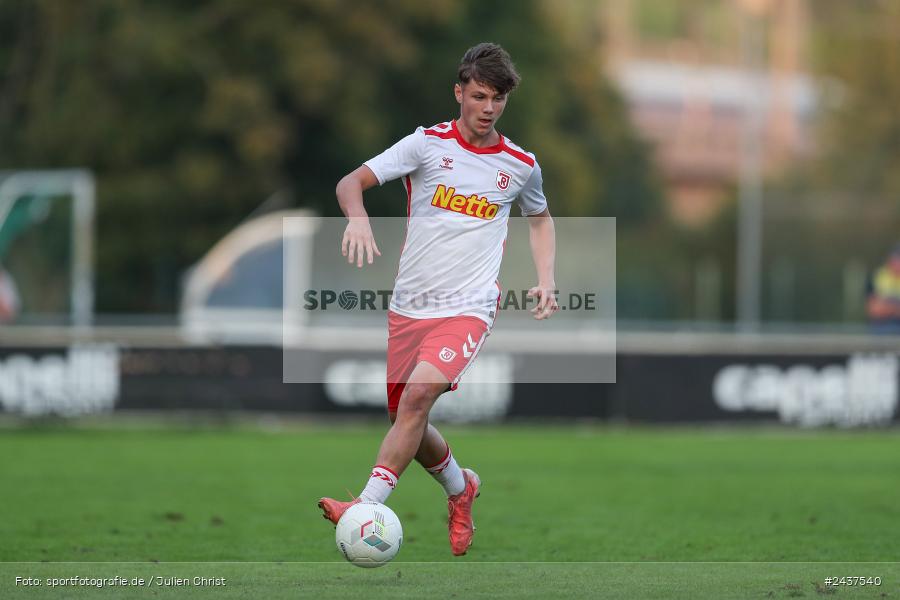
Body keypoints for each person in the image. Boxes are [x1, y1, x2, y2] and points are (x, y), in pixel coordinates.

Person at [317, 42, 558, 556]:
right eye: (479, 96)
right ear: (459, 92)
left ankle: (364, 505)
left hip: (469, 306)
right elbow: (349, 183)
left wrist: (546, 277)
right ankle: (460, 488)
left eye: (498, 99)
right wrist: (357, 216)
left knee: (418, 399)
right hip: (409, 307)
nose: (488, 108)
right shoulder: (425, 145)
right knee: (407, 417)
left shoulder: (520, 165)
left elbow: (539, 219)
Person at [866, 244, 900, 334]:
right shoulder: (877, 276)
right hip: (882, 328)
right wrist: (896, 309)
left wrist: (886, 307)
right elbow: (874, 310)